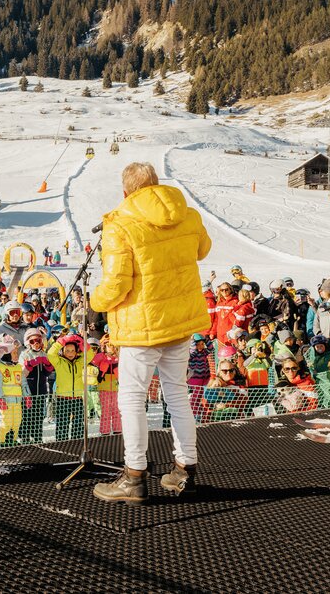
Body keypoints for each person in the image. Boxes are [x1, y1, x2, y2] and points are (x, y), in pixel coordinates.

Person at [90, 161, 211, 504]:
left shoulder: (120, 223)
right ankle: (185, 470)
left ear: (125, 192)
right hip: (179, 322)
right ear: (157, 184)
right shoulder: (187, 214)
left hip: (141, 328)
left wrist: (94, 300)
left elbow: (115, 285)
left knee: (132, 399)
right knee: (177, 395)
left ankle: (133, 476)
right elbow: (202, 250)